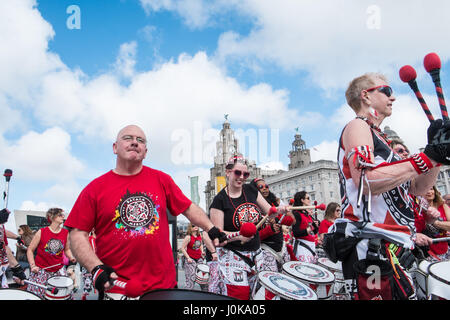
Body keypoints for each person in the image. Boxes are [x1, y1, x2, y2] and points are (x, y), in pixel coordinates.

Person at [65, 124, 226, 299]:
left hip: (163, 288)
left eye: (140, 140)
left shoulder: (162, 179)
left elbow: (187, 207)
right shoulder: (95, 189)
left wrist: (211, 228)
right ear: (114, 147)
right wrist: (95, 267)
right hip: (117, 289)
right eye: (128, 138)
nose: (135, 142)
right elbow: (77, 233)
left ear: (146, 151)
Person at [331, 72, 449, 300]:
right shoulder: (358, 126)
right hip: (368, 243)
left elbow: (416, 189)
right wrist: (424, 159)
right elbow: (365, 180)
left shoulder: (381, 138)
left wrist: (436, 155)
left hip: (392, 245)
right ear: (366, 96)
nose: (392, 97)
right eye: (386, 91)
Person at [209, 155, 288, 300]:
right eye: (237, 173)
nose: (242, 177)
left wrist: (280, 210)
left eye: (245, 174)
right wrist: (239, 235)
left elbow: (269, 213)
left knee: (261, 296)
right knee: (238, 297)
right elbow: (217, 237)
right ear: (228, 172)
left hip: (257, 255)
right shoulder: (219, 201)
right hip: (233, 257)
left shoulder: (251, 190)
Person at [26, 208, 76, 298]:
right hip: (42, 270)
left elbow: (67, 249)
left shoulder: (65, 232)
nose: (63, 217)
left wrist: (71, 257)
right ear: (52, 217)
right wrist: (33, 265)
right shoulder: (42, 232)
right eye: (60, 215)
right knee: (38, 296)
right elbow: (30, 250)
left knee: (62, 296)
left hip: (58, 270)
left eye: (63, 215)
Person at [291, 191, 319, 263]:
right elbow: (296, 233)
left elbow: (314, 232)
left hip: (311, 246)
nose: (310, 200)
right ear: (302, 200)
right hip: (302, 247)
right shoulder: (296, 214)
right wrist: (311, 228)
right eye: (308, 198)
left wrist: (316, 225)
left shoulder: (307, 214)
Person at [424, 186, 450, 260]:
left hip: (445, 249)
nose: (429, 192)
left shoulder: (442, 205)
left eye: (431, 189)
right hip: (428, 253)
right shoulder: (417, 208)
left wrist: (435, 222)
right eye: (426, 189)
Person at [180, 223, 206, 291]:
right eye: (193, 226)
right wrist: (188, 257)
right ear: (190, 227)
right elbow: (182, 248)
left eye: (197, 225)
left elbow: (200, 244)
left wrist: (202, 252)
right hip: (191, 259)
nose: (196, 227)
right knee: (191, 277)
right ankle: (188, 294)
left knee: (202, 277)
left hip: (199, 258)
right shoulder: (188, 237)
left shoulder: (199, 235)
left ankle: (205, 294)